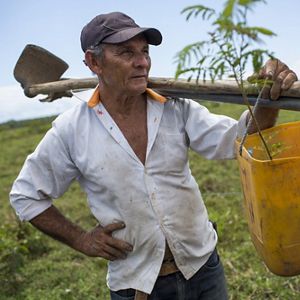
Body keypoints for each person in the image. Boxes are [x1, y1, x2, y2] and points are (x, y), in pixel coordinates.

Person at [10, 11, 297, 300]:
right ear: (94, 61)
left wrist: (267, 98)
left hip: (204, 269)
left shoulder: (175, 107)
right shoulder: (70, 130)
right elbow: (26, 194)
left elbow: (239, 139)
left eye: (144, 51)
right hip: (137, 286)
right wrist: (82, 239)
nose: (142, 61)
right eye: (126, 52)